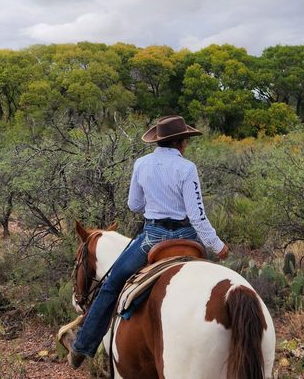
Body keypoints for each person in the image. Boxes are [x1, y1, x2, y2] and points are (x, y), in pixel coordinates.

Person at [69, 115, 229, 369]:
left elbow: (134, 205)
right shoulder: (187, 169)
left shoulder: (142, 164)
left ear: (159, 140)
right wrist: (218, 245)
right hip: (187, 238)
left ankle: (82, 346)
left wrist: (154, 201)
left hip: (152, 239)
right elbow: (197, 216)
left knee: (112, 285)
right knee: (213, 286)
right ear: (182, 143)